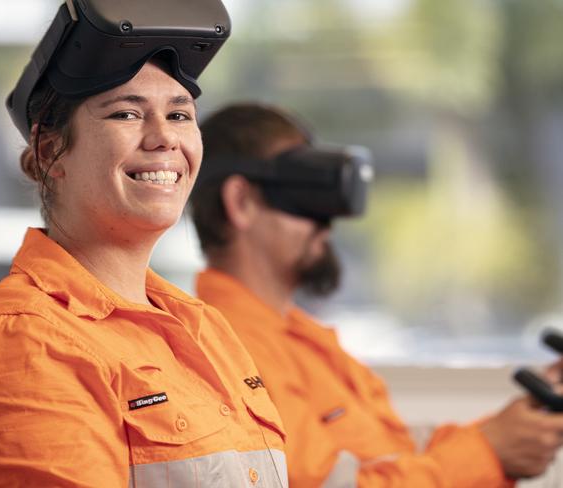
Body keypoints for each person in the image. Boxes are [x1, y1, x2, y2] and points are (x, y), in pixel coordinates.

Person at [0, 4, 288, 487]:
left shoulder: (206, 328)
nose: (164, 137)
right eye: (126, 113)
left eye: (180, 114)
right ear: (49, 152)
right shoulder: (24, 341)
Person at [190, 102, 563, 488]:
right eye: (305, 192)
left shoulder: (305, 340)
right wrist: (488, 452)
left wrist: (517, 430)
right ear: (241, 203)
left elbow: (396, 457)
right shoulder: (226, 348)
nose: (328, 220)